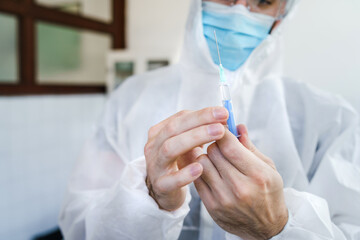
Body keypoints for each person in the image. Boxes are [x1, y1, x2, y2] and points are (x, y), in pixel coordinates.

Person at [59, 0, 360, 239]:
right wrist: (149, 200)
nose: (240, 11)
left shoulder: (330, 118)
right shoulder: (132, 98)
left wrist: (276, 227)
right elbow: (81, 226)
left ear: (280, 17)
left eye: (263, 1)